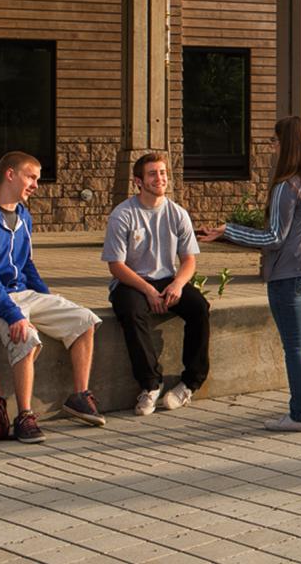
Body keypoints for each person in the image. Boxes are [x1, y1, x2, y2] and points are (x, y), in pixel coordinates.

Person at [0, 150, 106, 443]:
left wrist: (47, 300)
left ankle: (79, 397)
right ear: (10, 175)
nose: (36, 183)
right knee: (25, 334)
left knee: (84, 319)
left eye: (37, 178)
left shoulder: (24, 216)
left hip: (21, 292)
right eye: (31, 176)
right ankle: (24, 416)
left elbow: (27, 265)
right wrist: (14, 316)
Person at [199, 116, 301, 433]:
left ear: (287, 144)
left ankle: (299, 414)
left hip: (288, 276)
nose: (272, 147)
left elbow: (273, 238)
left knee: (294, 346)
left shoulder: (285, 186)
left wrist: (228, 231)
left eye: (274, 141)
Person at [103, 151, 212, 416]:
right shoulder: (123, 214)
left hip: (167, 278)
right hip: (131, 280)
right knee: (130, 310)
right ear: (138, 181)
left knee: (199, 307)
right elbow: (116, 265)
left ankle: (190, 383)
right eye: (152, 174)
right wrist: (148, 290)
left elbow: (188, 261)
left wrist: (177, 285)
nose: (159, 178)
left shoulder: (178, 214)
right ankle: (151, 384)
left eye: (163, 173)